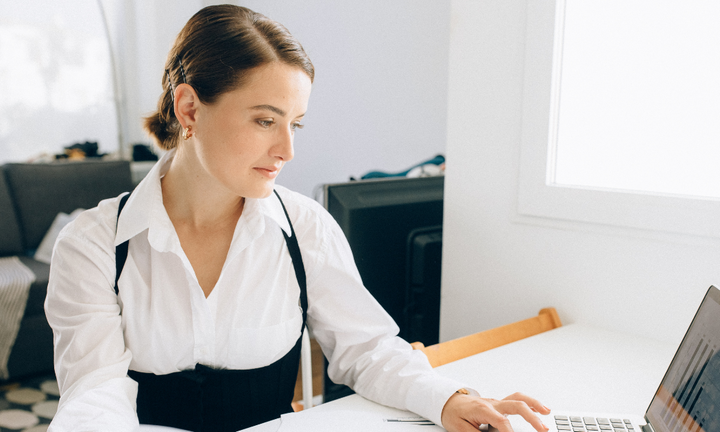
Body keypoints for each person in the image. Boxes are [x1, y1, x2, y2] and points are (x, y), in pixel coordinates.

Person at [45, 5, 551, 432]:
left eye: (295, 124)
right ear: (190, 109)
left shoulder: (305, 228)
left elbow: (368, 350)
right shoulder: (92, 245)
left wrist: (448, 399)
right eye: (265, 120)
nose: (287, 149)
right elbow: (94, 400)